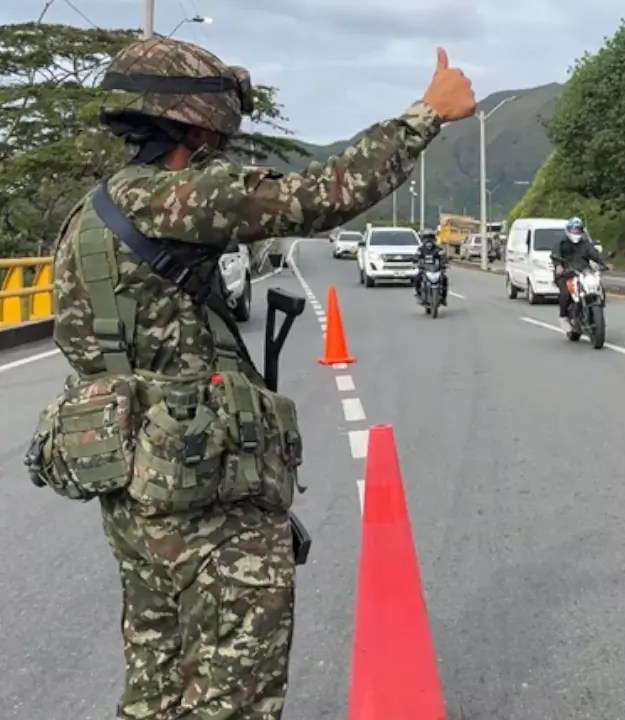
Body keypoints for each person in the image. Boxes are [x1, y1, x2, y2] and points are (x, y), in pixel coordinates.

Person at [24, 36, 474, 719]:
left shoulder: (88, 216)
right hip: (208, 503)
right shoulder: (172, 200)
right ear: (197, 126)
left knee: (156, 688)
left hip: (134, 495)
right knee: (234, 694)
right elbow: (319, 196)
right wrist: (424, 116)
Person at [551, 216, 612, 331]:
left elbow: (594, 254)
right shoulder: (561, 243)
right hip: (566, 273)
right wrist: (558, 266)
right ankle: (563, 317)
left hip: (583, 272)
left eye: (578, 229)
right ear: (568, 230)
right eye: (574, 229)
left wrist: (604, 263)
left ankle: (598, 309)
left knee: (596, 286)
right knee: (565, 292)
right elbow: (555, 255)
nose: (576, 232)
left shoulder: (585, 244)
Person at [416, 234, 449, 303]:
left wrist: (445, 264)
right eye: (427, 240)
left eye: (431, 239)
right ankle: (419, 293)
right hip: (425, 269)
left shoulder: (438, 249)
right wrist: (417, 263)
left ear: (434, 240)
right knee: (417, 278)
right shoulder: (421, 249)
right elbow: (416, 257)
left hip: (435, 270)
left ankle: (443, 297)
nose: (429, 242)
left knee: (444, 279)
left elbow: (443, 258)